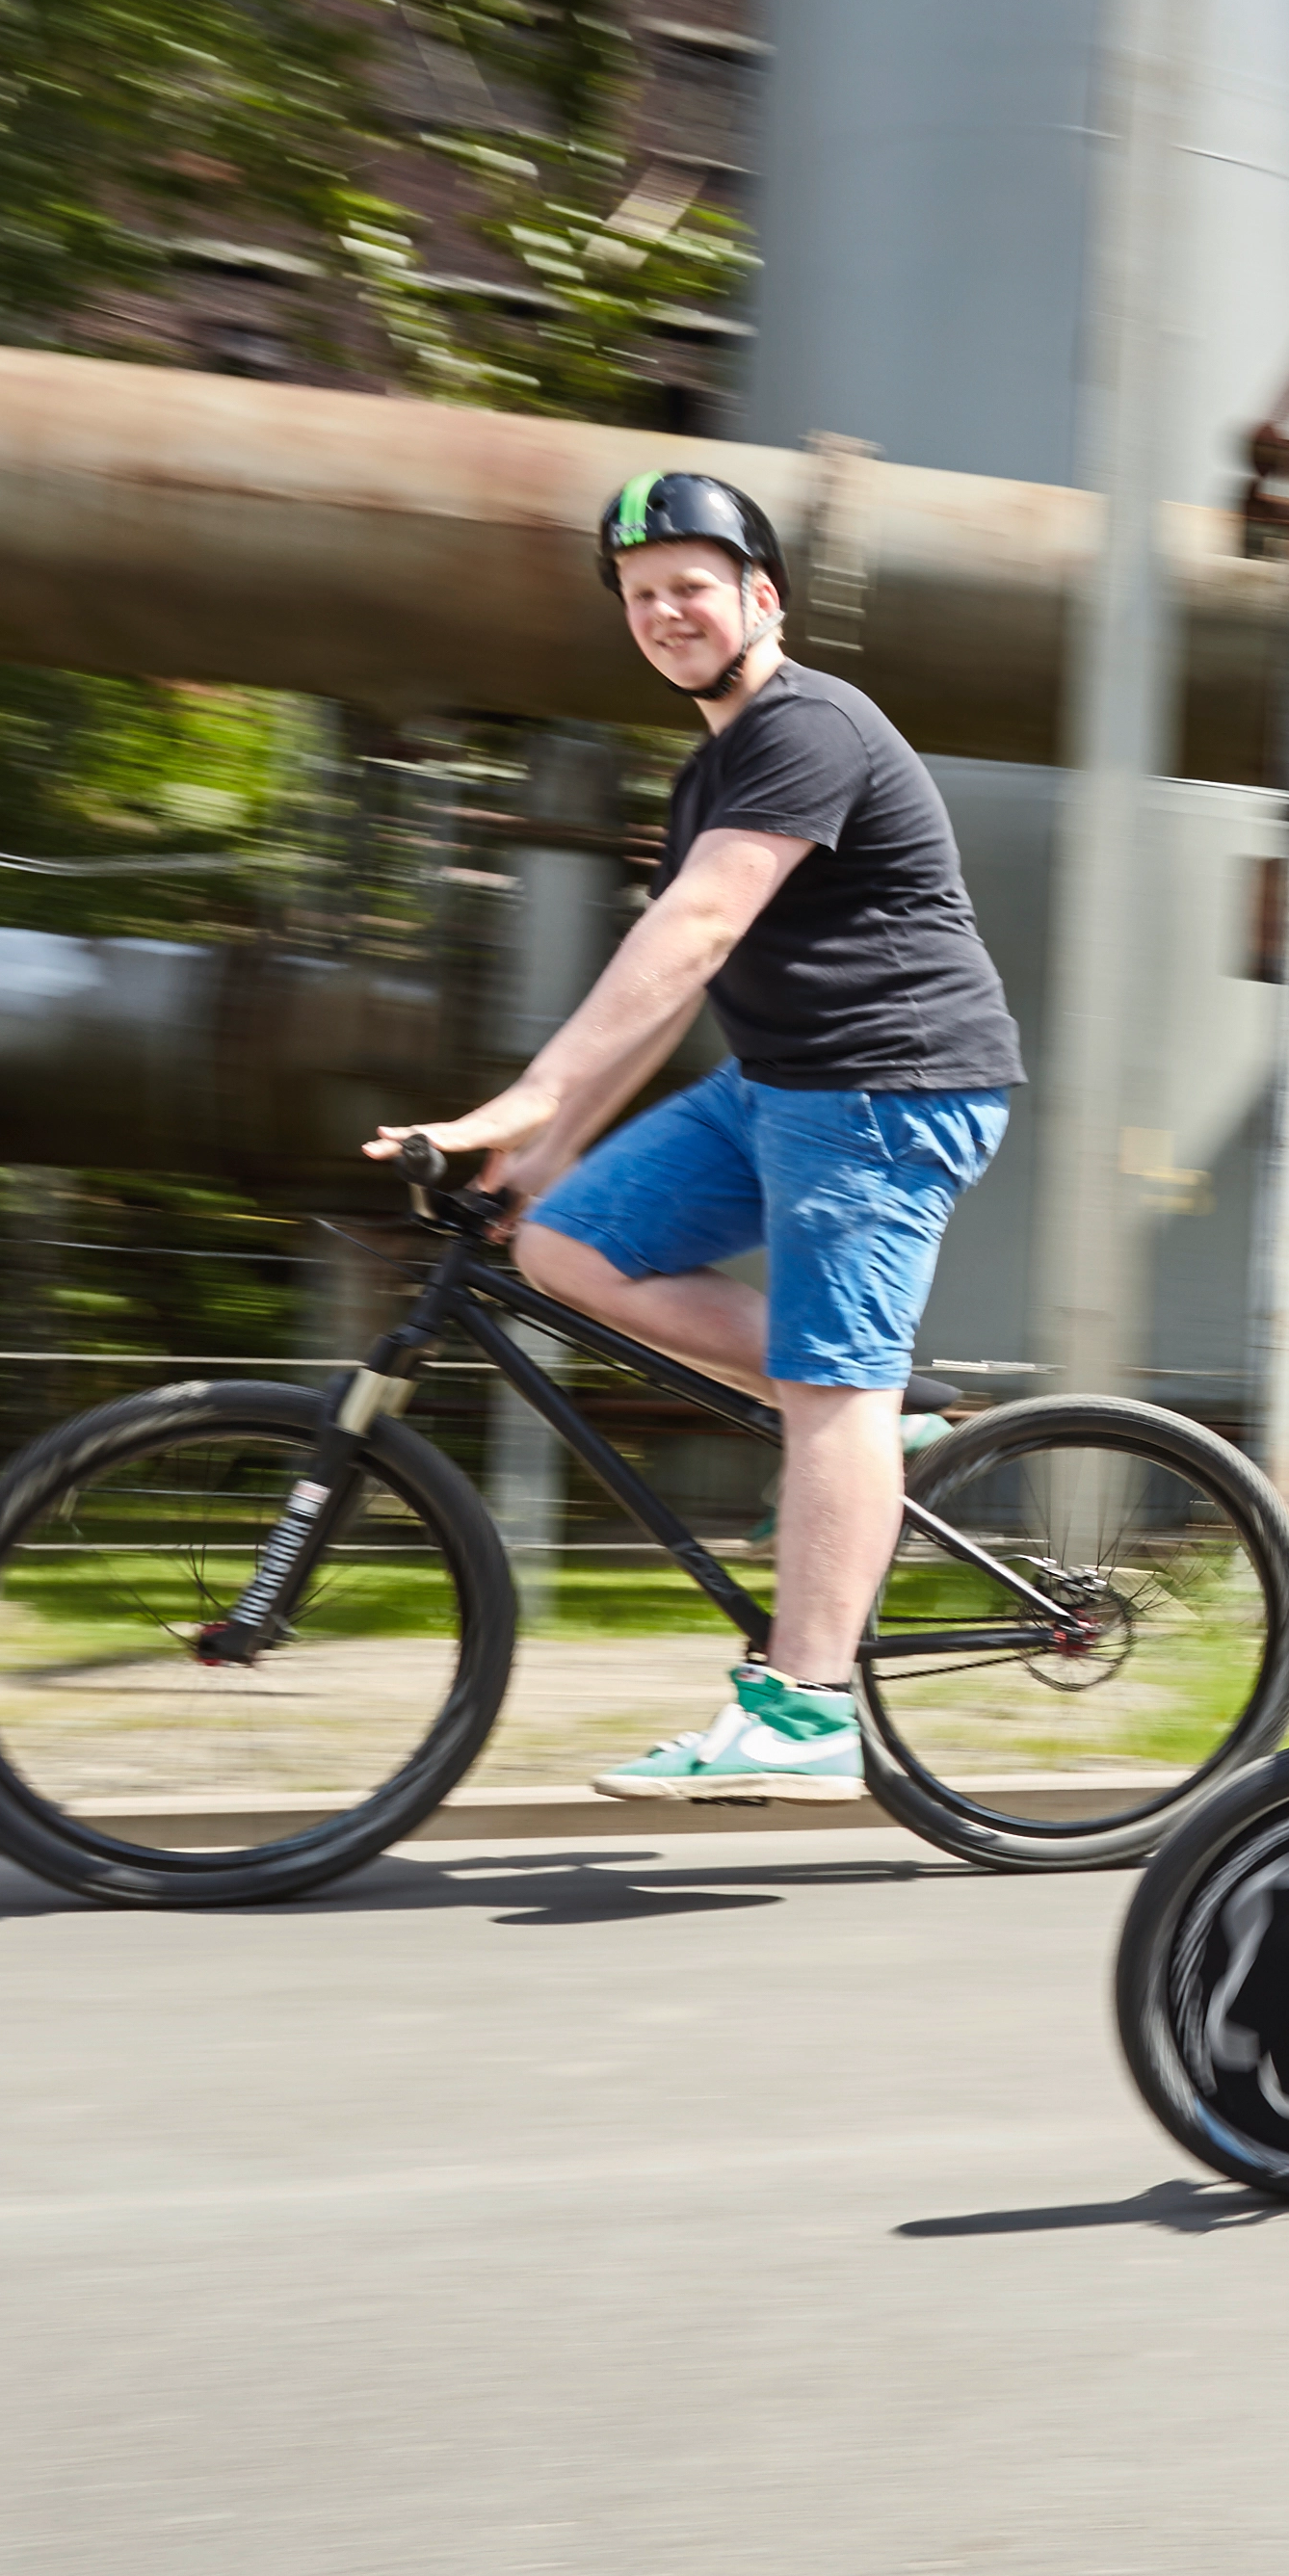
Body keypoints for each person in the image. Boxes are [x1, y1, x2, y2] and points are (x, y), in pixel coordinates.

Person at [369, 470, 1024, 1805]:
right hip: (776, 1083)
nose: (665, 612)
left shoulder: (809, 726)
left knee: (831, 1383)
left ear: (761, 597)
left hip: (890, 1088)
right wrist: (543, 1155)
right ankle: (868, 1420)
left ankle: (808, 1713)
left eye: (690, 587)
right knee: (563, 1246)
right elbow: (668, 990)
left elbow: (700, 928)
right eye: (640, 595)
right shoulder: (711, 770)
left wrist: (528, 1098)